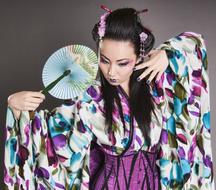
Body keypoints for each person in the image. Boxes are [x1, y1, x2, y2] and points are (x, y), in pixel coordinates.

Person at [4, 7, 214, 190]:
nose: (111, 72)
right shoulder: (90, 98)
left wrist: (169, 53)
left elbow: (195, 44)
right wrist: (17, 107)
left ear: (139, 57)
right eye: (105, 60)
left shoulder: (158, 86)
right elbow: (50, 136)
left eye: (122, 63)